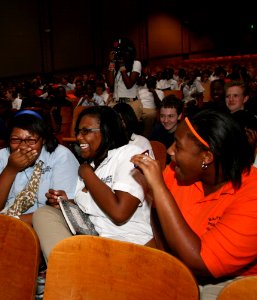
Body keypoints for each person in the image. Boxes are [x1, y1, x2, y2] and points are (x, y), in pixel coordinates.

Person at [131, 109, 257, 300]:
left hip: (235, 283)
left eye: (178, 147)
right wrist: (167, 265)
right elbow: (157, 213)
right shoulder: (178, 172)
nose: (170, 150)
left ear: (206, 157)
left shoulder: (252, 194)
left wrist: (158, 187)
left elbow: (201, 262)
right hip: (182, 266)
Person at [32, 106, 153, 262]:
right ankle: (65, 269)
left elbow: (119, 213)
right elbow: (90, 208)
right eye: (77, 132)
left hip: (128, 244)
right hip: (95, 240)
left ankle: (68, 272)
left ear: (107, 130)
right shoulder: (91, 165)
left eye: (86, 131)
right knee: (43, 213)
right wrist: (66, 202)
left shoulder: (128, 153)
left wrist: (87, 173)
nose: (79, 137)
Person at [0, 110, 80, 226]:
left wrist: (10, 221)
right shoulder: (1, 157)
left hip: (43, 225)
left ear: (43, 140)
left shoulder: (60, 155)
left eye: (31, 140)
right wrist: (10, 170)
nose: (23, 147)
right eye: (16, 140)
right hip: (1, 219)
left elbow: (64, 211)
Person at [105, 37, 143, 120]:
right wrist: (112, 62)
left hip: (131, 103)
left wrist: (122, 65)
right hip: (115, 103)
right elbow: (110, 84)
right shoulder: (114, 65)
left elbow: (129, 85)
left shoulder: (136, 63)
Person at [149, 94, 183, 164]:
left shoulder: (184, 136)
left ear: (179, 116)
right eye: (162, 116)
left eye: (170, 116)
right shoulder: (157, 130)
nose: (166, 120)